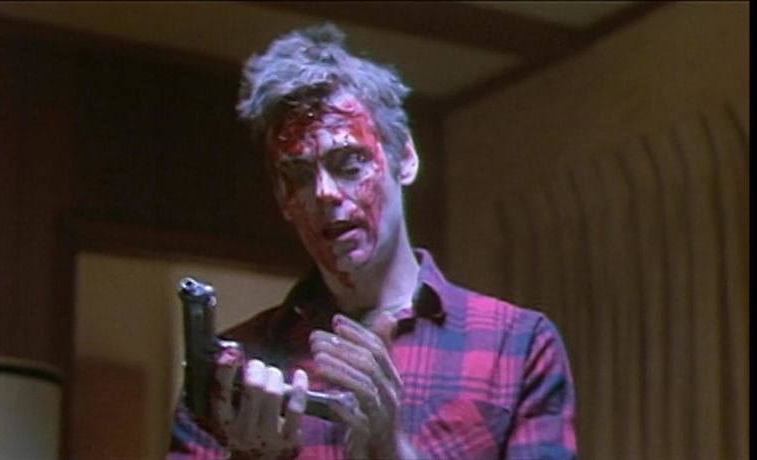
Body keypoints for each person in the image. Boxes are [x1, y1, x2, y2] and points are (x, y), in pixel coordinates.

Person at [168, 23, 576, 460]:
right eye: (299, 176)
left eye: (349, 163)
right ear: (283, 197)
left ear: (405, 159)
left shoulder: (514, 345)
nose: (324, 193)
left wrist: (392, 449)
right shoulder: (230, 375)